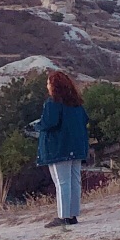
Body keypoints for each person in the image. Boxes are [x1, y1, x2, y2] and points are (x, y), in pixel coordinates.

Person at [36, 70, 89, 228]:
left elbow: (48, 123)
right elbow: (85, 120)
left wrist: (37, 126)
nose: (47, 86)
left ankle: (62, 216)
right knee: (74, 180)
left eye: (48, 83)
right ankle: (72, 215)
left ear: (54, 86)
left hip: (59, 148)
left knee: (61, 182)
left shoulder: (53, 103)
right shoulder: (77, 103)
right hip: (77, 146)